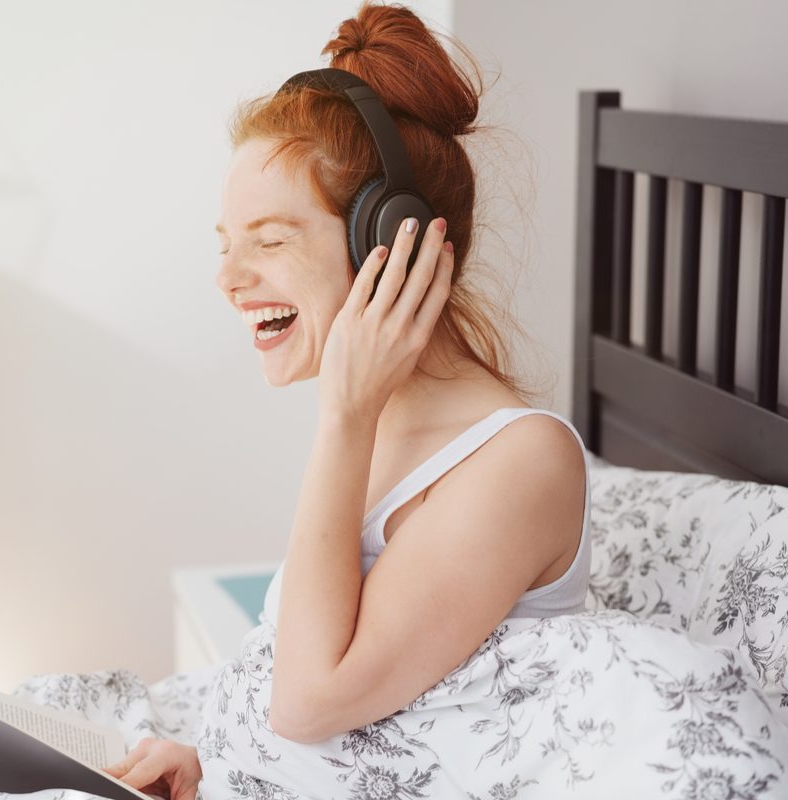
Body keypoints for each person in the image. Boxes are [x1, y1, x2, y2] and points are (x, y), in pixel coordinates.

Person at [104, 2, 589, 797]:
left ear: (389, 242)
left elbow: (311, 701)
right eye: (227, 247)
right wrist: (212, 765)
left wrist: (344, 415)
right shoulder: (381, 422)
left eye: (270, 240)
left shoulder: (521, 461)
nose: (228, 280)